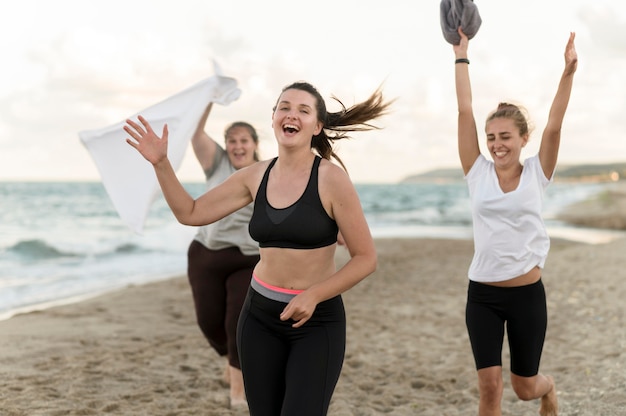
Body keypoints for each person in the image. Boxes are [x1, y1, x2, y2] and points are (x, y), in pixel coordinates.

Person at [124, 81, 392, 415]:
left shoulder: (331, 179)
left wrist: (314, 295)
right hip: (259, 318)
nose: (291, 114)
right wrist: (161, 163)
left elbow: (365, 258)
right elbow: (190, 213)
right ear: (274, 118)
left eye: (303, 110)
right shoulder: (254, 177)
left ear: (317, 126)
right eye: (284, 107)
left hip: (316, 322)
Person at [453, 27, 577, 416]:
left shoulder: (539, 172)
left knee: (525, 389)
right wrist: (461, 54)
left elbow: (555, 125)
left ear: (523, 138)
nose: (496, 144)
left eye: (505, 136)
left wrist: (568, 71)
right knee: (489, 387)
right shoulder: (477, 171)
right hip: (482, 296)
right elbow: (464, 110)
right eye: (491, 137)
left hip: (526, 295)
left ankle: (549, 388)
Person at [186, 102, 260, 408]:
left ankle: (238, 393)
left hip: (247, 258)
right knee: (208, 322)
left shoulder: (267, 171)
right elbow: (195, 131)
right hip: (206, 255)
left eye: (244, 140)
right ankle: (231, 359)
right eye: (232, 140)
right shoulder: (217, 163)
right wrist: (207, 98)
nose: (237, 146)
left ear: (255, 145)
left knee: (235, 322)